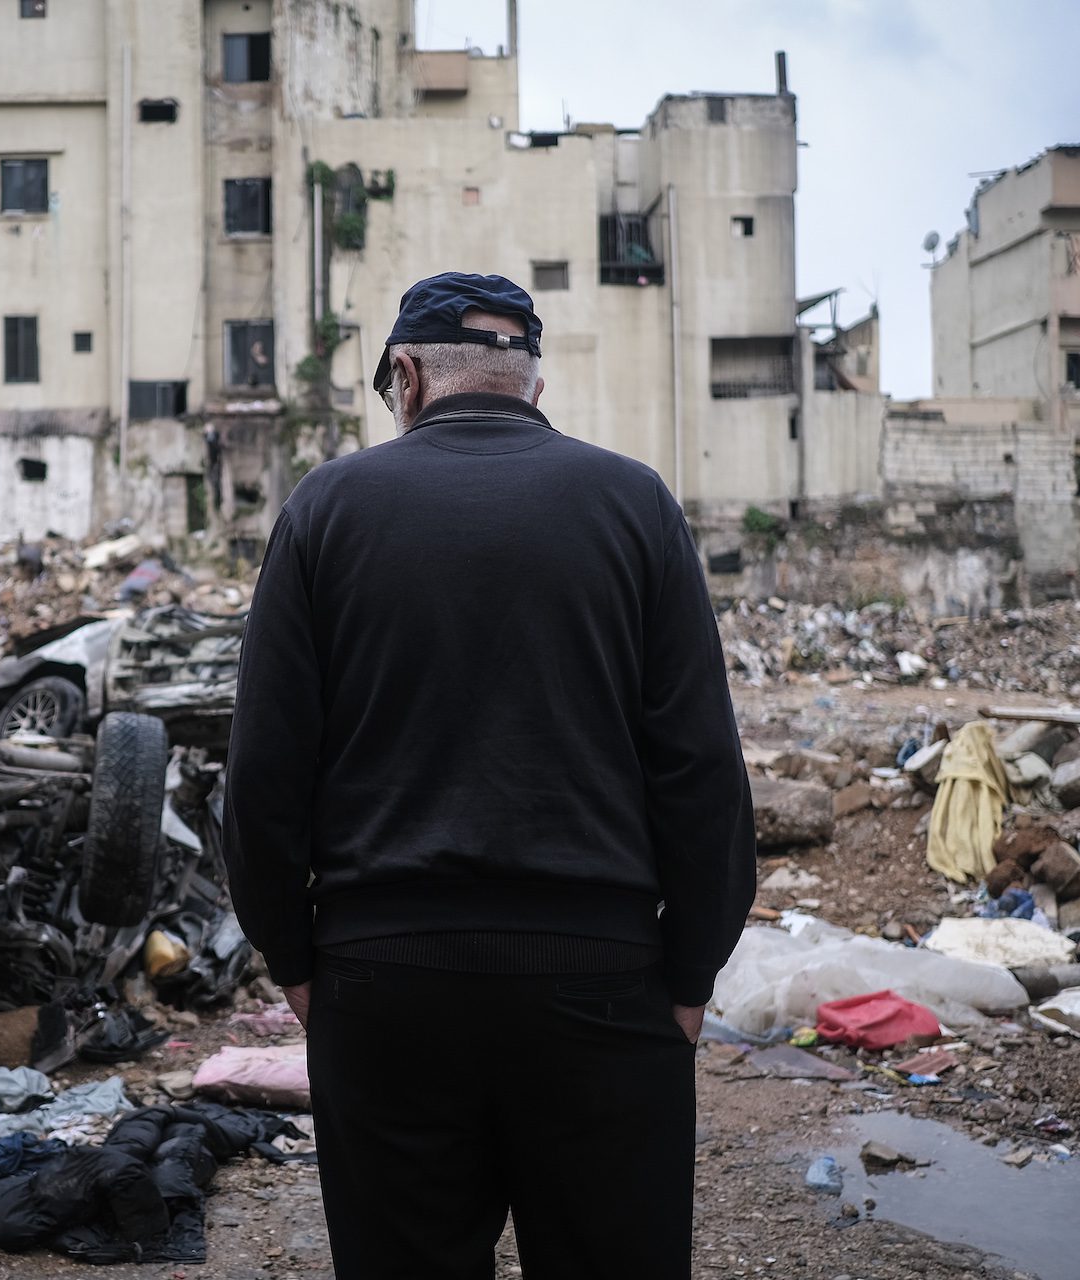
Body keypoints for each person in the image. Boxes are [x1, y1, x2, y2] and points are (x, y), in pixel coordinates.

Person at [223, 272, 755, 1278]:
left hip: (384, 986)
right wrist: (688, 974)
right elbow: (703, 772)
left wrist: (295, 958)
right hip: (601, 985)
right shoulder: (633, 502)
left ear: (409, 377)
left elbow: (262, 775)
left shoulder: (327, 507)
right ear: (533, 386)